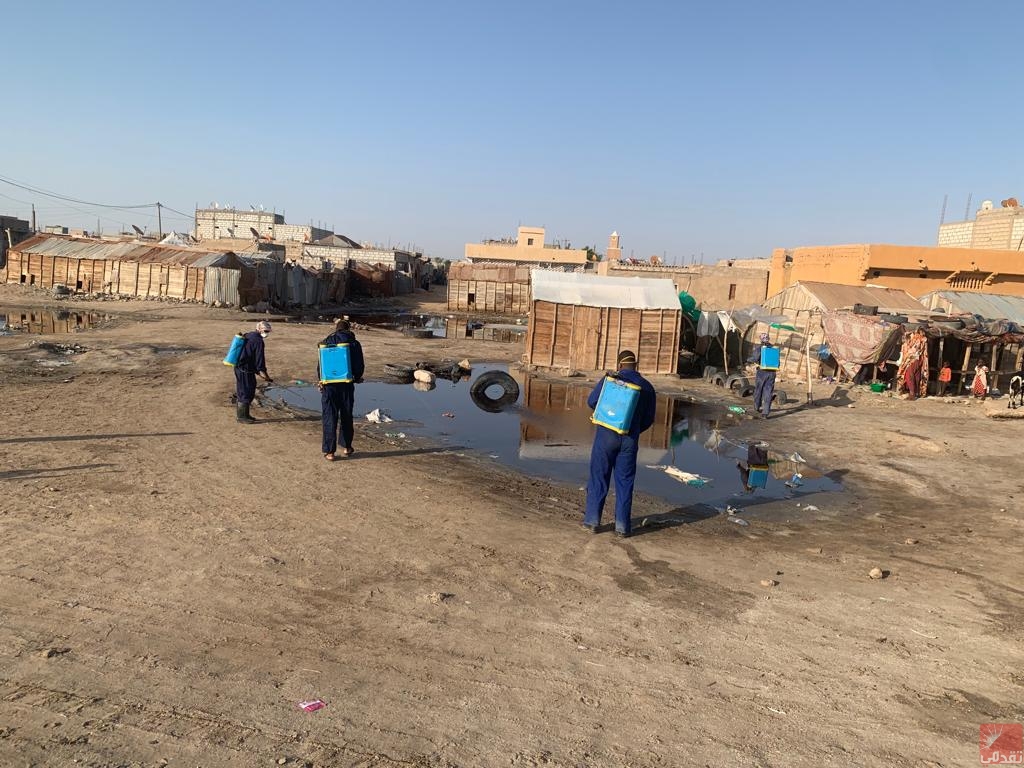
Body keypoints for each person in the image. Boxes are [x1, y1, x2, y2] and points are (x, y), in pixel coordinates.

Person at [582, 350, 657, 538]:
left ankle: (592, 521)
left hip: (606, 436)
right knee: (625, 482)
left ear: (619, 365)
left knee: (599, 477)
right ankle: (622, 527)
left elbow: (591, 402)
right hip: (629, 439)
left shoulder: (610, 381)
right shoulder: (647, 387)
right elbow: (648, 419)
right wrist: (633, 431)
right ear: (636, 365)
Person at [318, 319, 365, 461]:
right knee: (346, 416)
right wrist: (357, 377)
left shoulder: (325, 342)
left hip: (329, 385)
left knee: (329, 417)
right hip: (346, 385)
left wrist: (321, 381)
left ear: (336, 329)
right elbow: (359, 365)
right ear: (349, 329)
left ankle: (330, 452)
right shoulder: (354, 344)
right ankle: (346, 447)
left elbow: (321, 364)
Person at [235, 320, 273, 424]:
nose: (266, 333)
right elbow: (260, 361)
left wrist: (257, 371)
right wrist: (266, 376)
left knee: (245, 389)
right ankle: (241, 417)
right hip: (244, 369)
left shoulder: (249, 335)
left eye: (268, 331)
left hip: (240, 367)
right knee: (246, 391)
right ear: (259, 329)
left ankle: (245, 415)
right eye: (265, 331)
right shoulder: (258, 341)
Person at [896, 327, 929, 400]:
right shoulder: (923, 340)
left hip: (912, 360)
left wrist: (903, 360)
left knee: (909, 376)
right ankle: (917, 392)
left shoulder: (916, 339)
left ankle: (912, 394)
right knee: (916, 376)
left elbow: (911, 351)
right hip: (920, 360)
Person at [752, 332, 777, 419]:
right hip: (772, 373)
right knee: (768, 392)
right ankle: (765, 413)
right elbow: (778, 363)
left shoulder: (760, 348)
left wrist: (748, 360)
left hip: (762, 372)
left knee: (758, 390)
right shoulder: (774, 349)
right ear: (768, 339)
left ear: (761, 339)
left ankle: (757, 407)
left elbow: (754, 358)